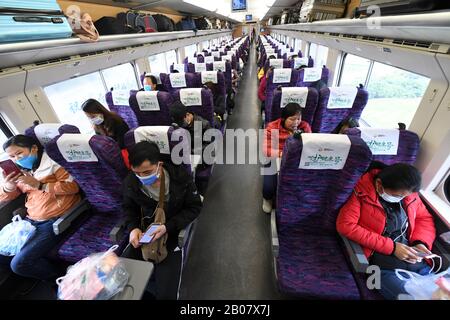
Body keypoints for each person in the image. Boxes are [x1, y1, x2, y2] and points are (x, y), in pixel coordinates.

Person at [336, 163, 437, 300]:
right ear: (379, 184)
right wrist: (393, 248)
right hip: (379, 268)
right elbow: (346, 225)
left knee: (439, 293)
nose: (401, 199)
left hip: (418, 265)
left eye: (404, 196)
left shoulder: (409, 194)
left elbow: (423, 218)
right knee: (412, 297)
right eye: (397, 195)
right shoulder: (361, 192)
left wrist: (421, 243)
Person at [123, 141, 202, 299]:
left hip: (172, 230)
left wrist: (167, 227)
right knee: (122, 283)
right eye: (137, 173)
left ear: (159, 164)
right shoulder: (131, 183)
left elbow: (194, 208)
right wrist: (133, 229)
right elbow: (128, 209)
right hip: (146, 231)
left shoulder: (180, 178)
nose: (142, 177)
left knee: (166, 294)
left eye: (147, 172)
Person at [0, 135, 80, 280]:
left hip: (53, 221)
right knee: (2, 254)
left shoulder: (53, 163)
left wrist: (40, 185)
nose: (16, 159)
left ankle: (63, 278)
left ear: (34, 149)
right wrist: (8, 187)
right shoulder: (21, 171)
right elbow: (6, 197)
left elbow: (73, 187)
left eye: (19, 153)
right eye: (12, 156)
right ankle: (40, 270)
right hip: (30, 221)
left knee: (18, 264)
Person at [262, 103, 312, 213]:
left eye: (298, 119)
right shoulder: (272, 127)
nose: (296, 122)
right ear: (284, 118)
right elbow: (266, 150)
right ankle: (268, 198)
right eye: (292, 119)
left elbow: (310, 145)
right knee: (269, 187)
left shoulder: (304, 127)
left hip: (298, 159)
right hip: (276, 158)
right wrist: (282, 154)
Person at [82, 99, 130, 168]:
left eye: (93, 116)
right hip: (110, 153)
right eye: (89, 117)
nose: (92, 119)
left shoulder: (117, 121)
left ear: (100, 111)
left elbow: (122, 144)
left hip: (122, 152)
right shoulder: (97, 126)